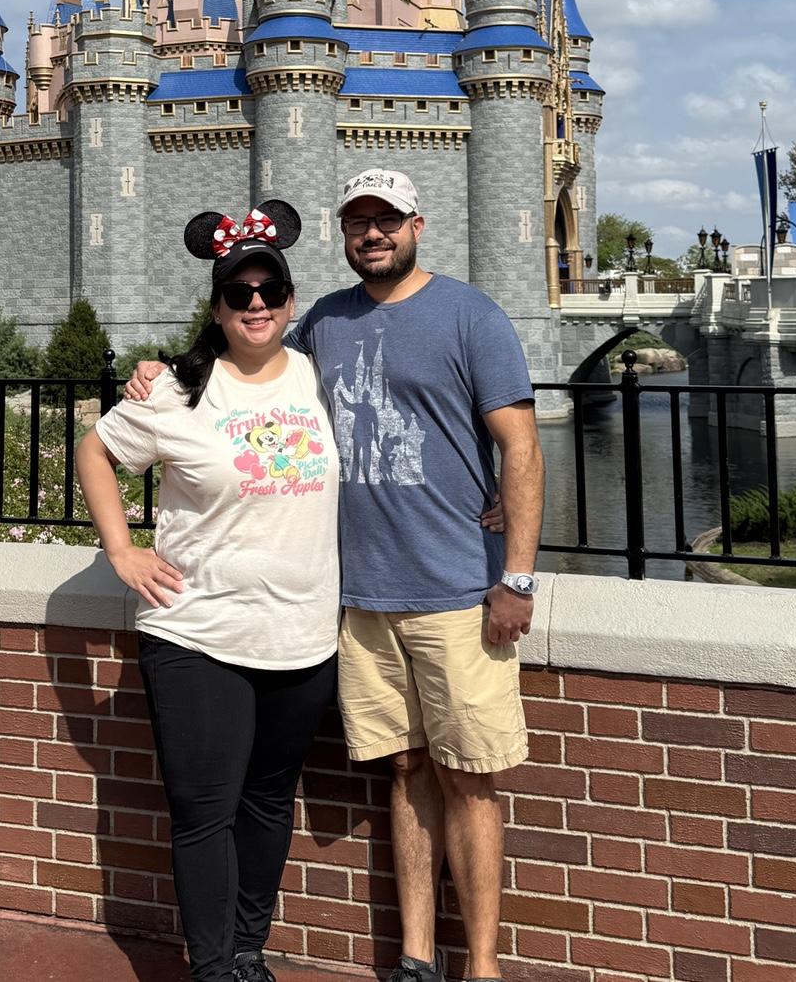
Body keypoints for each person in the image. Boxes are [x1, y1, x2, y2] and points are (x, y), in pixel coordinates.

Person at [130, 168, 544, 982]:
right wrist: (160, 367)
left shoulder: (471, 314)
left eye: (386, 219)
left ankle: (484, 967)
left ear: (417, 224)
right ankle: (417, 958)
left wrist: (518, 575)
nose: (372, 234)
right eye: (358, 221)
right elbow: (249, 355)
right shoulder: (325, 322)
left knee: (470, 777)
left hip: (459, 589)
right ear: (341, 233)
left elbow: (521, 447)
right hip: (357, 600)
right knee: (406, 768)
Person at [78, 201, 340, 982]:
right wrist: (121, 549)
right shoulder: (175, 390)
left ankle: (250, 949)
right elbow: (94, 451)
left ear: (290, 301)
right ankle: (214, 966)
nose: (255, 303)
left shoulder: (318, 371)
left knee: (268, 804)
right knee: (204, 815)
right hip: (198, 635)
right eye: (238, 293)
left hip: (303, 636)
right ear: (218, 307)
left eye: (268, 290)